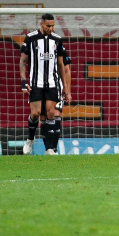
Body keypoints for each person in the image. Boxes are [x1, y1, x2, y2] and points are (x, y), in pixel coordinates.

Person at [19, 13, 71, 155]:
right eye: (48, 26)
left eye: (53, 26)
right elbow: (23, 61)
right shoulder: (31, 38)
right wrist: (24, 82)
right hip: (36, 83)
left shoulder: (57, 40)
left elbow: (61, 64)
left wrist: (65, 88)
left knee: (50, 114)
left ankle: (49, 149)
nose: (51, 28)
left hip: (52, 83)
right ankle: (30, 139)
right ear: (41, 24)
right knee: (35, 114)